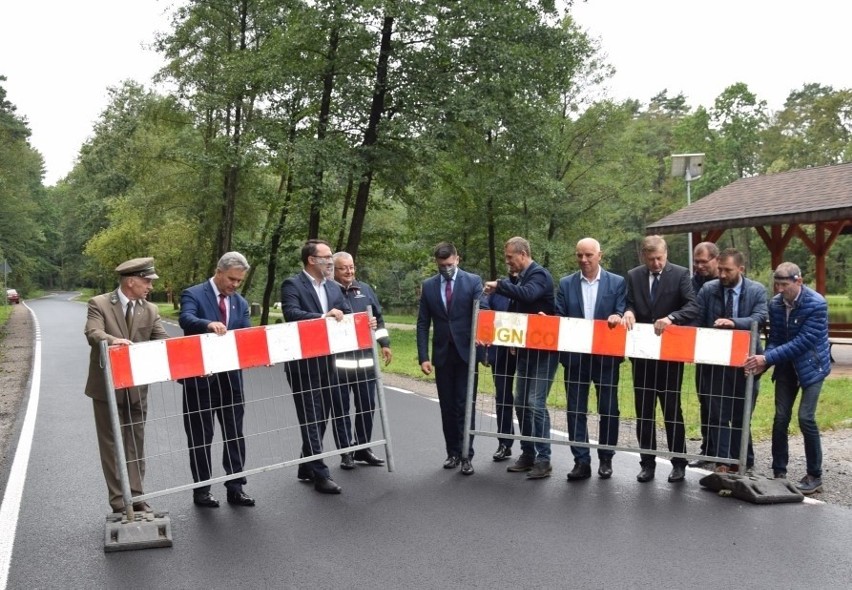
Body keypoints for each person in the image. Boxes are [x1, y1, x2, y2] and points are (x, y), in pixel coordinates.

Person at [84, 257, 168, 513]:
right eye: (146, 281)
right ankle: (120, 501)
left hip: (136, 390)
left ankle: (137, 496)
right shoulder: (99, 304)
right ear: (131, 281)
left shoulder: (150, 310)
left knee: (135, 442)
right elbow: (93, 333)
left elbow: (162, 341)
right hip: (107, 389)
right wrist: (113, 341)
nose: (150, 286)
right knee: (111, 444)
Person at [744, 262, 831, 495]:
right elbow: (777, 338)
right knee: (780, 417)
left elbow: (803, 342)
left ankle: (815, 475)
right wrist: (765, 359)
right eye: (777, 284)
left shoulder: (817, 304)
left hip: (812, 366)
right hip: (786, 368)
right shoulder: (775, 304)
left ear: (798, 281)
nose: (780, 289)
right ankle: (779, 472)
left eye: (784, 284)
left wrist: (768, 358)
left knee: (806, 418)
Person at [179, 252, 255, 508]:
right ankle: (201, 490)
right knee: (201, 437)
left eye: (239, 281)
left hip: (231, 381)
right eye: (231, 279)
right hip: (200, 380)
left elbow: (243, 334)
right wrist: (208, 324)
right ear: (219, 271)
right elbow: (186, 319)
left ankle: (236, 487)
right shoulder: (194, 294)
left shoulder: (240, 303)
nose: (234, 285)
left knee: (234, 435)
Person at [621, 235, 699, 483]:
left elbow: (692, 306)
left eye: (660, 258)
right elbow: (630, 302)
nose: (656, 263)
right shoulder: (634, 276)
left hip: (668, 355)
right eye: (652, 259)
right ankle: (647, 463)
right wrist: (629, 312)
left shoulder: (680, 274)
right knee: (644, 411)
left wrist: (672, 318)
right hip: (642, 355)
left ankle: (678, 463)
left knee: (672, 410)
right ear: (644, 257)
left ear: (666, 254)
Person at [280, 239, 352, 494]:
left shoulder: (334, 288)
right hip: (304, 365)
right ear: (312, 260)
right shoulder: (292, 284)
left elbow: (344, 313)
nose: (331, 260)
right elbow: (292, 313)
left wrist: (362, 322)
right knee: (310, 417)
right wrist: (323, 318)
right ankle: (321, 474)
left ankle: (306, 464)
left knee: (321, 416)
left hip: (329, 362)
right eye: (327, 256)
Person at [484, 237, 558, 480]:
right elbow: (516, 311)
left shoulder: (539, 275)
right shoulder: (521, 278)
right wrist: (514, 341)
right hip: (525, 349)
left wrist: (501, 285)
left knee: (536, 403)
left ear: (523, 254)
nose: (507, 262)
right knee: (521, 403)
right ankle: (527, 453)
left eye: (510, 257)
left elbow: (527, 295)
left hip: (545, 351)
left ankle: (544, 459)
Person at [555, 238, 626, 481]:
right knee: (575, 410)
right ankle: (581, 461)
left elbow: (620, 310)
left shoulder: (617, 283)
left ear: (599, 255)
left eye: (588, 255)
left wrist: (618, 315)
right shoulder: (566, 283)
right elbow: (560, 316)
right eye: (579, 255)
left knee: (609, 409)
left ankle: (606, 458)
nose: (584, 260)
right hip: (576, 359)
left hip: (606, 359)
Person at [695, 248, 767, 474]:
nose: (723, 275)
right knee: (717, 412)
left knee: (741, 411)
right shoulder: (709, 289)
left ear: (741, 269)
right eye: (721, 269)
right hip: (717, 360)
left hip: (746, 360)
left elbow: (760, 317)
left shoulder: (756, 290)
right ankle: (723, 461)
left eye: (728, 270)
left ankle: (743, 458)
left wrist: (733, 322)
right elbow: (697, 316)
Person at [417, 242, 484, 476]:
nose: (445, 268)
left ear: (457, 259)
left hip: (467, 353)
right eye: (441, 265)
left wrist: (482, 347)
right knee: (447, 406)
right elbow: (423, 322)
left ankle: (467, 454)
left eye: (449, 264)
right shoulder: (429, 286)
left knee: (465, 405)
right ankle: (452, 452)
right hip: (442, 355)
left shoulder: (473, 282)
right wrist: (423, 356)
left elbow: (481, 315)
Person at [332, 251, 391, 469]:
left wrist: (384, 344)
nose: (349, 271)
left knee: (367, 406)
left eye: (351, 267)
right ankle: (346, 451)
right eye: (343, 268)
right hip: (338, 362)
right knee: (341, 408)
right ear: (333, 270)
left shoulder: (365, 290)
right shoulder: (329, 291)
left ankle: (363, 448)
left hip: (365, 360)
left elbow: (379, 319)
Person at [690, 241, 721, 467]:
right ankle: (707, 448)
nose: (699, 266)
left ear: (716, 260)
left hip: (724, 349)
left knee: (727, 404)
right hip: (701, 351)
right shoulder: (691, 284)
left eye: (704, 261)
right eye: (696, 261)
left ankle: (731, 452)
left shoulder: (724, 283)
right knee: (705, 400)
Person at [482, 275, 517, 462]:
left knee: (527, 400)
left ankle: (531, 448)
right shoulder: (498, 287)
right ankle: (504, 442)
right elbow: (484, 309)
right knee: (503, 395)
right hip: (501, 352)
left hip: (527, 353)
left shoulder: (534, 284)